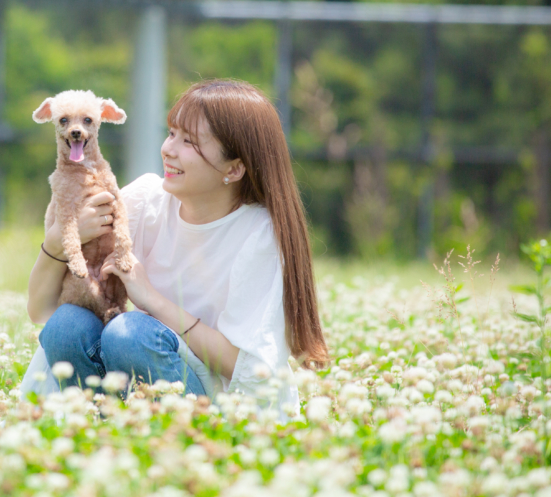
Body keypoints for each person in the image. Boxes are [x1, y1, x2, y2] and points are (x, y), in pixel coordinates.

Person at [21, 79, 329, 410]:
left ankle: (180, 434)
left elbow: (253, 374)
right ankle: (104, 427)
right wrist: (58, 240)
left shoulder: (259, 234)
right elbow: (42, 312)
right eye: (171, 133)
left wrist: (151, 300)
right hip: (143, 382)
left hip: (223, 404)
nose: (168, 149)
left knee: (128, 333)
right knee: (66, 325)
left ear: (235, 168)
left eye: (189, 142)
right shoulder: (143, 201)